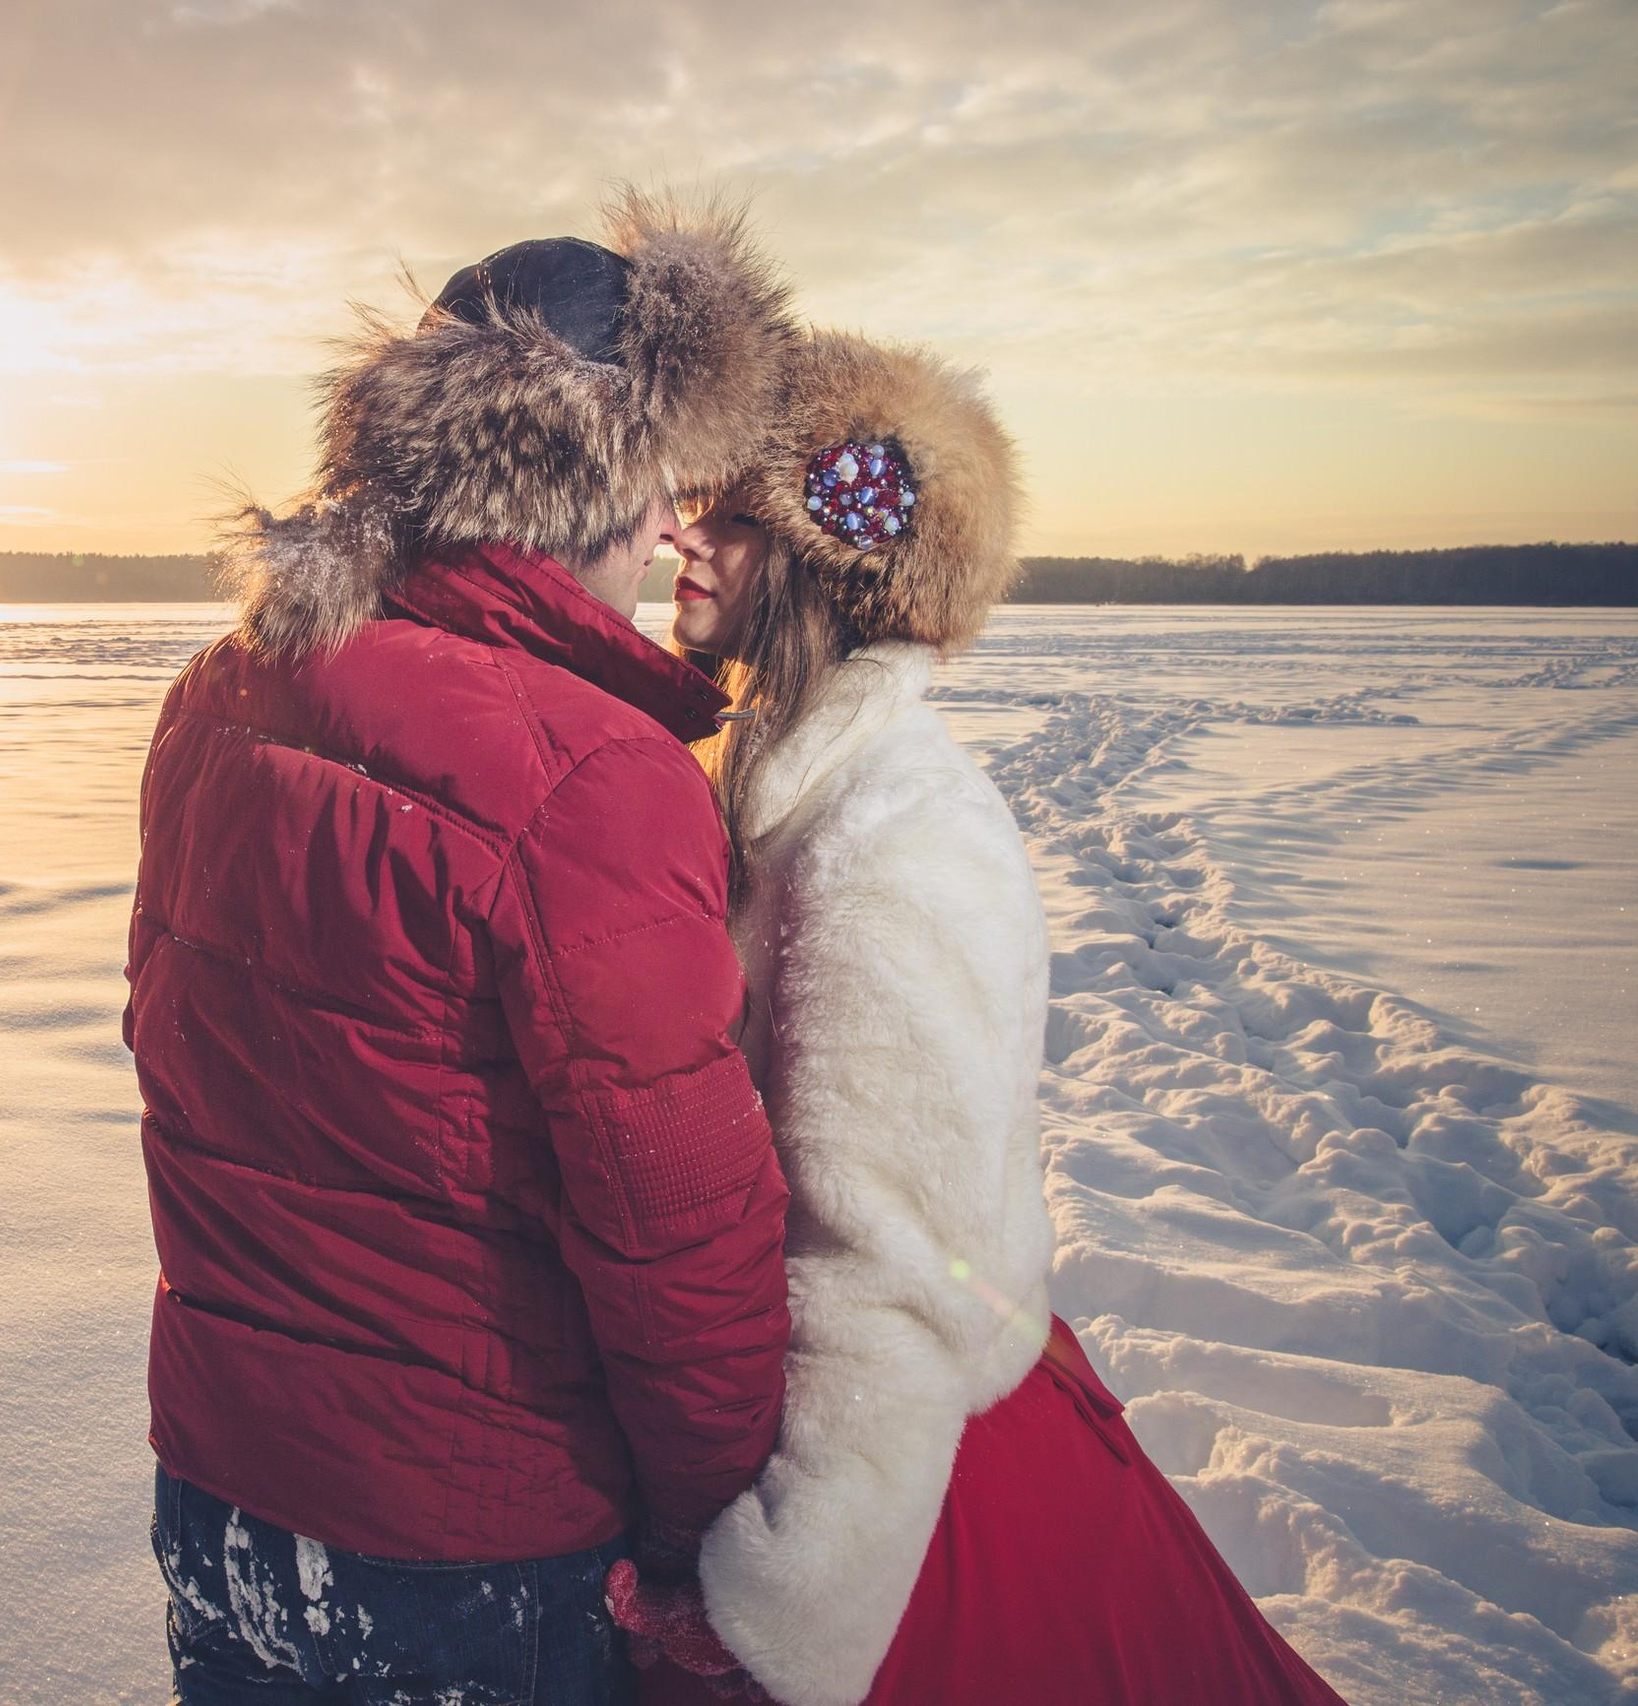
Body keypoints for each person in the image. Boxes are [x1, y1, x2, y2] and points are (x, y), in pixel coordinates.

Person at [124, 192, 803, 1704]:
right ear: (594, 490)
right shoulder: (594, 775)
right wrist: (711, 1546)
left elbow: (176, 1049)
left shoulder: (223, 691)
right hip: (475, 1560)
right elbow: (678, 1238)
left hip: (225, 1504)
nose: (678, 530)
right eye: (662, 485)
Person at [618, 329, 1348, 1705]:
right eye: (693, 505)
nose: (685, 543)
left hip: (895, 1499)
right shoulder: (775, 791)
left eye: (736, 521)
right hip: (821, 1439)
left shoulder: (900, 839)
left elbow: (894, 1260)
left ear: (838, 569)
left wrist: (783, 1616)